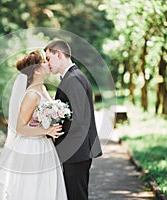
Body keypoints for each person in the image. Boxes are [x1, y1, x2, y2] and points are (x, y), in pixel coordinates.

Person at [0, 50, 68, 200]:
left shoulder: (41, 89)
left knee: (44, 187)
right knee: (32, 188)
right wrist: (46, 130)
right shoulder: (31, 95)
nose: (48, 63)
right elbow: (20, 128)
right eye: (44, 61)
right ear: (36, 70)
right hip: (32, 146)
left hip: (44, 144)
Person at [44, 39, 102, 200]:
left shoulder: (73, 79)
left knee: (76, 196)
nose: (47, 63)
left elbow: (77, 119)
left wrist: (52, 132)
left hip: (76, 151)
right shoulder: (72, 77)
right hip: (76, 150)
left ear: (59, 54)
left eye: (49, 58)